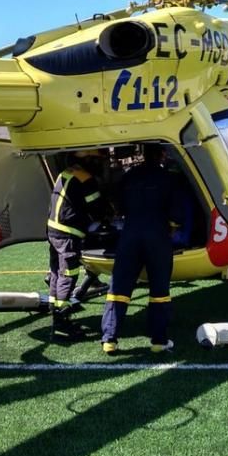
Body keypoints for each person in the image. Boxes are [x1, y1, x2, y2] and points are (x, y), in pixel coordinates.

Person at [101, 144, 185, 354]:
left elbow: (117, 206)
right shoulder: (168, 178)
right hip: (157, 236)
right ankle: (158, 341)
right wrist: (173, 228)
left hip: (130, 235)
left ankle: (109, 339)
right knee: (159, 290)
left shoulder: (129, 176)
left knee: (118, 288)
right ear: (162, 155)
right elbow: (177, 212)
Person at [46, 150, 108, 340]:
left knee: (56, 272)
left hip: (53, 230)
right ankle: (61, 321)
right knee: (68, 273)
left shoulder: (67, 172)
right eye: (98, 160)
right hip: (68, 233)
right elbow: (98, 207)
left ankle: (55, 309)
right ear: (89, 160)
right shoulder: (85, 178)